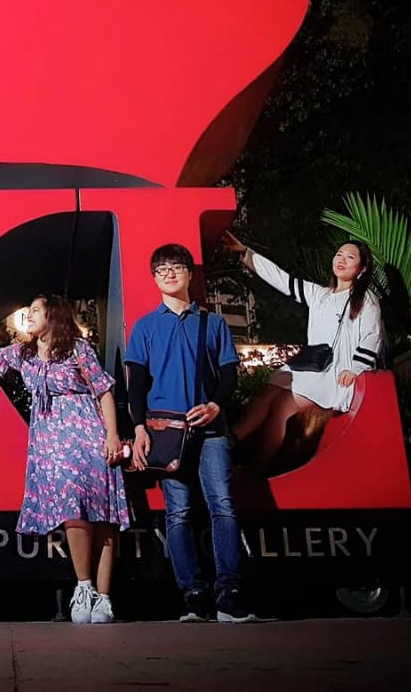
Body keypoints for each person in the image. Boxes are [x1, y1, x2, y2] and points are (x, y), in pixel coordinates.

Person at [0, 294, 131, 624]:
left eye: (36, 310)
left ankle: (104, 597)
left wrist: (112, 435)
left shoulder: (78, 349)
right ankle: (84, 586)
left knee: (103, 514)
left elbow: (103, 391)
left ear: (53, 315)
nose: (29, 315)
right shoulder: (23, 353)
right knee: (72, 511)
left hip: (87, 434)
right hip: (50, 443)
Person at [124, 243, 256, 624]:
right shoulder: (145, 327)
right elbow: (136, 385)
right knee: (178, 513)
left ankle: (229, 594)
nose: (169, 273)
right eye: (161, 269)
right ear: (154, 278)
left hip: (211, 429)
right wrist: (139, 428)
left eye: (176, 267)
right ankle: (193, 596)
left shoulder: (213, 323)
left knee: (223, 506)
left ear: (189, 273)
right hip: (166, 434)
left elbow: (229, 375)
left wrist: (215, 405)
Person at [220, 231, 383, 469]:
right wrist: (246, 253)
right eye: (339, 254)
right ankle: (229, 441)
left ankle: (256, 468)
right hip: (309, 366)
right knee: (266, 396)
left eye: (350, 257)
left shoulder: (365, 300)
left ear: (362, 268)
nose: (341, 260)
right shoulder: (320, 295)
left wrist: (356, 368)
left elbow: (372, 336)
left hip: (334, 374)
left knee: (280, 408)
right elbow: (282, 279)